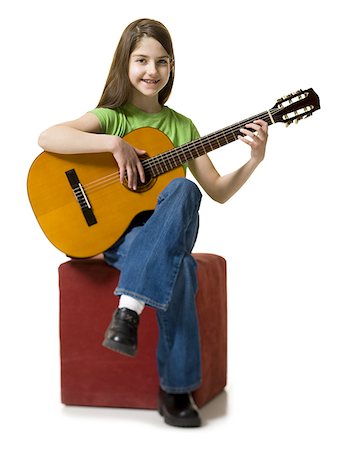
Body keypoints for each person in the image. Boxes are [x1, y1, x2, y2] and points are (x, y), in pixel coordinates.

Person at [38, 18, 268, 427]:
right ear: (125, 64)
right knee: (179, 269)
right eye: (141, 59)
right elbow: (48, 137)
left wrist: (253, 160)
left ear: (172, 67)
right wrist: (114, 144)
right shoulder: (112, 118)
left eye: (162, 62)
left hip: (163, 231)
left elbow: (216, 189)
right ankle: (177, 393)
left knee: (186, 191)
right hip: (114, 235)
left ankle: (128, 311)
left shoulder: (182, 128)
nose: (152, 71)